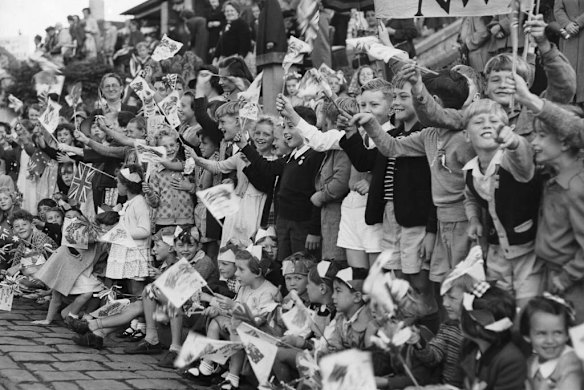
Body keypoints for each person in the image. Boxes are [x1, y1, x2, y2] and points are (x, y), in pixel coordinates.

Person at [462, 98, 543, 308]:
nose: (487, 125)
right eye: (479, 122)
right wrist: (473, 219)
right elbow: (469, 197)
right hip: (496, 250)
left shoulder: (510, 161)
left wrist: (515, 142)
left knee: (527, 306)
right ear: (466, 135)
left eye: (494, 121)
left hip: (525, 248)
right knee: (499, 306)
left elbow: (523, 160)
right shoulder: (470, 171)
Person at [459, 284, 527, 389]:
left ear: (477, 326)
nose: (460, 319)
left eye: (463, 316)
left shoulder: (511, 361)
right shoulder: (469, 346)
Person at [520, 295, 584, 390]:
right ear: (527, 336)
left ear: (567, 334)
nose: (550, 341)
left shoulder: (571, 366)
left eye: (558, 333)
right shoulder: (531, 363)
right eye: (541, 333)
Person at [105, 165, 151, 296]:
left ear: (127, 185)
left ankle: (143, 312)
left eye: (119, 183)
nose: (117, 185)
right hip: (127, 250)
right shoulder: (129, 203)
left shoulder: (139, 202)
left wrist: (121, 234)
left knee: (137, 289)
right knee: (129, 288)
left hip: (136, 252)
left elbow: (145, 230)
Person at [554, 0, 584, 104]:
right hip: (569, 37)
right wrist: (566, 24)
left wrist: (577, 23)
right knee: (568, 69)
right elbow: (558, 9)